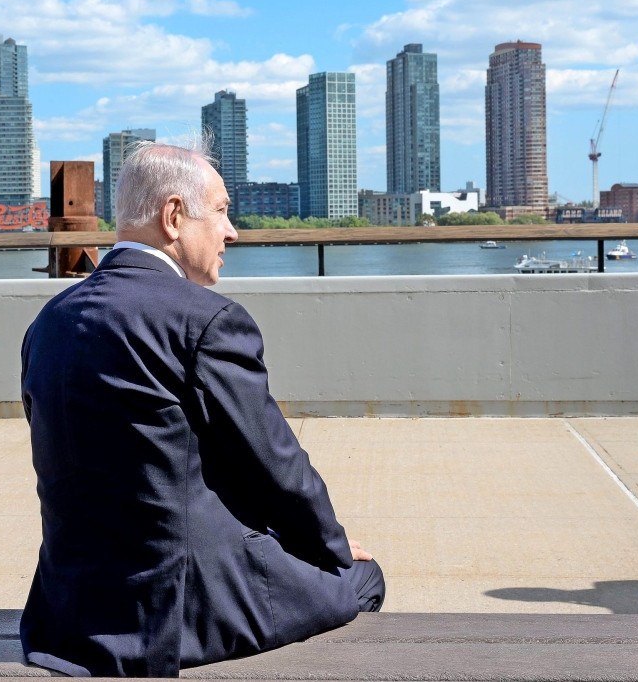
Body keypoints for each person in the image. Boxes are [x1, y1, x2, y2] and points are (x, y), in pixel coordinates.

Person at [19, 140, 384, 677]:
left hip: (66, 609)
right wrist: (332, 551)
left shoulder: (48, 322)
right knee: (365, 578)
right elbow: (277, 467)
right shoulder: (205, 320)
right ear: (173, 216)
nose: (231, 231)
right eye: (220, 210)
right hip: (175, 611)